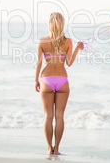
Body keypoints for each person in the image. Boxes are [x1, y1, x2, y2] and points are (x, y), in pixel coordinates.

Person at [35, 12, 83, 155]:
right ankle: (57, 149)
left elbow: (38, 63)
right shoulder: (68, 41)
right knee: (60, 117)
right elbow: (69, 63)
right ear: (62, 24)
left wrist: (36, 80)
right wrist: (77, 49)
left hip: (47, 80)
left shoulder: (42, 41)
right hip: (62, 80)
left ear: (49, 24)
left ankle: (49, 149)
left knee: (48, 117)